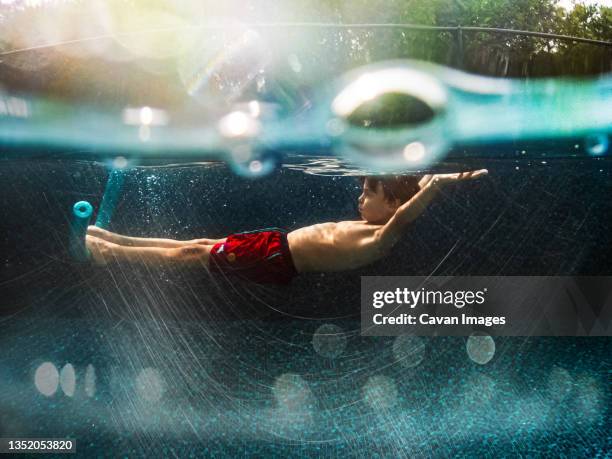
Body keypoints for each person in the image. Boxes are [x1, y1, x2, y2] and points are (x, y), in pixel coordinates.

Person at [86, 169, 488, 284]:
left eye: (369, 192)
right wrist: (418, 180)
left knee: (194, 254)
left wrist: (437, 182)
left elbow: (405, 213)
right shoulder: (375, 224)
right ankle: (117, 237)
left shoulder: (384, 236)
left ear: (394, 204)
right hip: (274, 243)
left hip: (276, 257)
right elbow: (403, 199)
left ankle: (113, 254)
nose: (360, 199)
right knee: (200, 242)